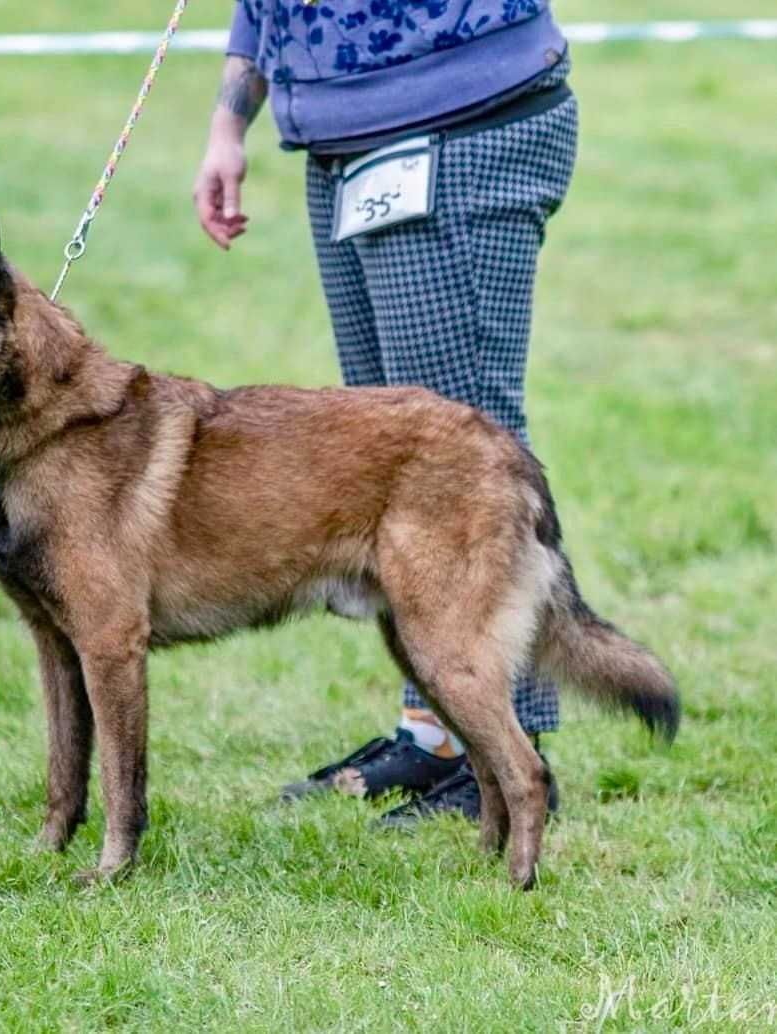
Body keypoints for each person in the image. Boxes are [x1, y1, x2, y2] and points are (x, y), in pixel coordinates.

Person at [193, 0, 578, 827]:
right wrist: (231, 123)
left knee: (461, 456)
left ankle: (511, 756)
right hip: (345, 145)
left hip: (458, 121)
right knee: (392, 465)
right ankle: (437, 737)